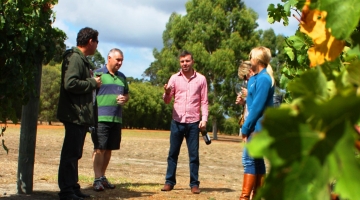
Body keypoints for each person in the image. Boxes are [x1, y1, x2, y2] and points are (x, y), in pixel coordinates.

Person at [57, 27, 101, 200]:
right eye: (97, 42)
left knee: (75, 153)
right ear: (90, 41)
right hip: (74, 114)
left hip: (80, 115)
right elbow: (70, 83)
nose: (97, 46)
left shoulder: (81, 59)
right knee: (70, 154)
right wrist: (92, 82)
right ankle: (66, 191)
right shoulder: (74, 58)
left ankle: (73, 188)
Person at [161, 50, 209, 194]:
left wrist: (204, 119)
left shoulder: (201, 79)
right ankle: (169, 182)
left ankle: (194, 184)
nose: (185, 64)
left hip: (194, 123)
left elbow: (204, 101)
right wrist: (167, 92)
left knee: (194, 155)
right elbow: (167, 101)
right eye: (182, 61)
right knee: (172, 153)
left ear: (192, 61)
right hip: (177, 121)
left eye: (187, 61)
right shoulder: (174, 78)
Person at [239, 47, 275, 200]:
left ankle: (245, 197)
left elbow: (258, 108)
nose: (249, 59)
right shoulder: (255, 79)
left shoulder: (264, 79)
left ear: (257, 60)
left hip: (259, 127)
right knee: (257, 162)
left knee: (249, 160)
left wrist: (246, 128)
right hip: (255, 125)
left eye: (251, 57)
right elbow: (252, 102)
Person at [91, 48, 129, 191]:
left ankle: (102, 176)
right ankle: (96, 179)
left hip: (116, 119)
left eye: (121, 60)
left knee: (109, 150)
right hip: (100, 118)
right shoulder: (98, 74)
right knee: (99, 148)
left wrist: (124, 99)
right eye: (117, 60)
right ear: (109, 58)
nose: (120, 63)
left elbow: (127, 95)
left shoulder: (122, 77)